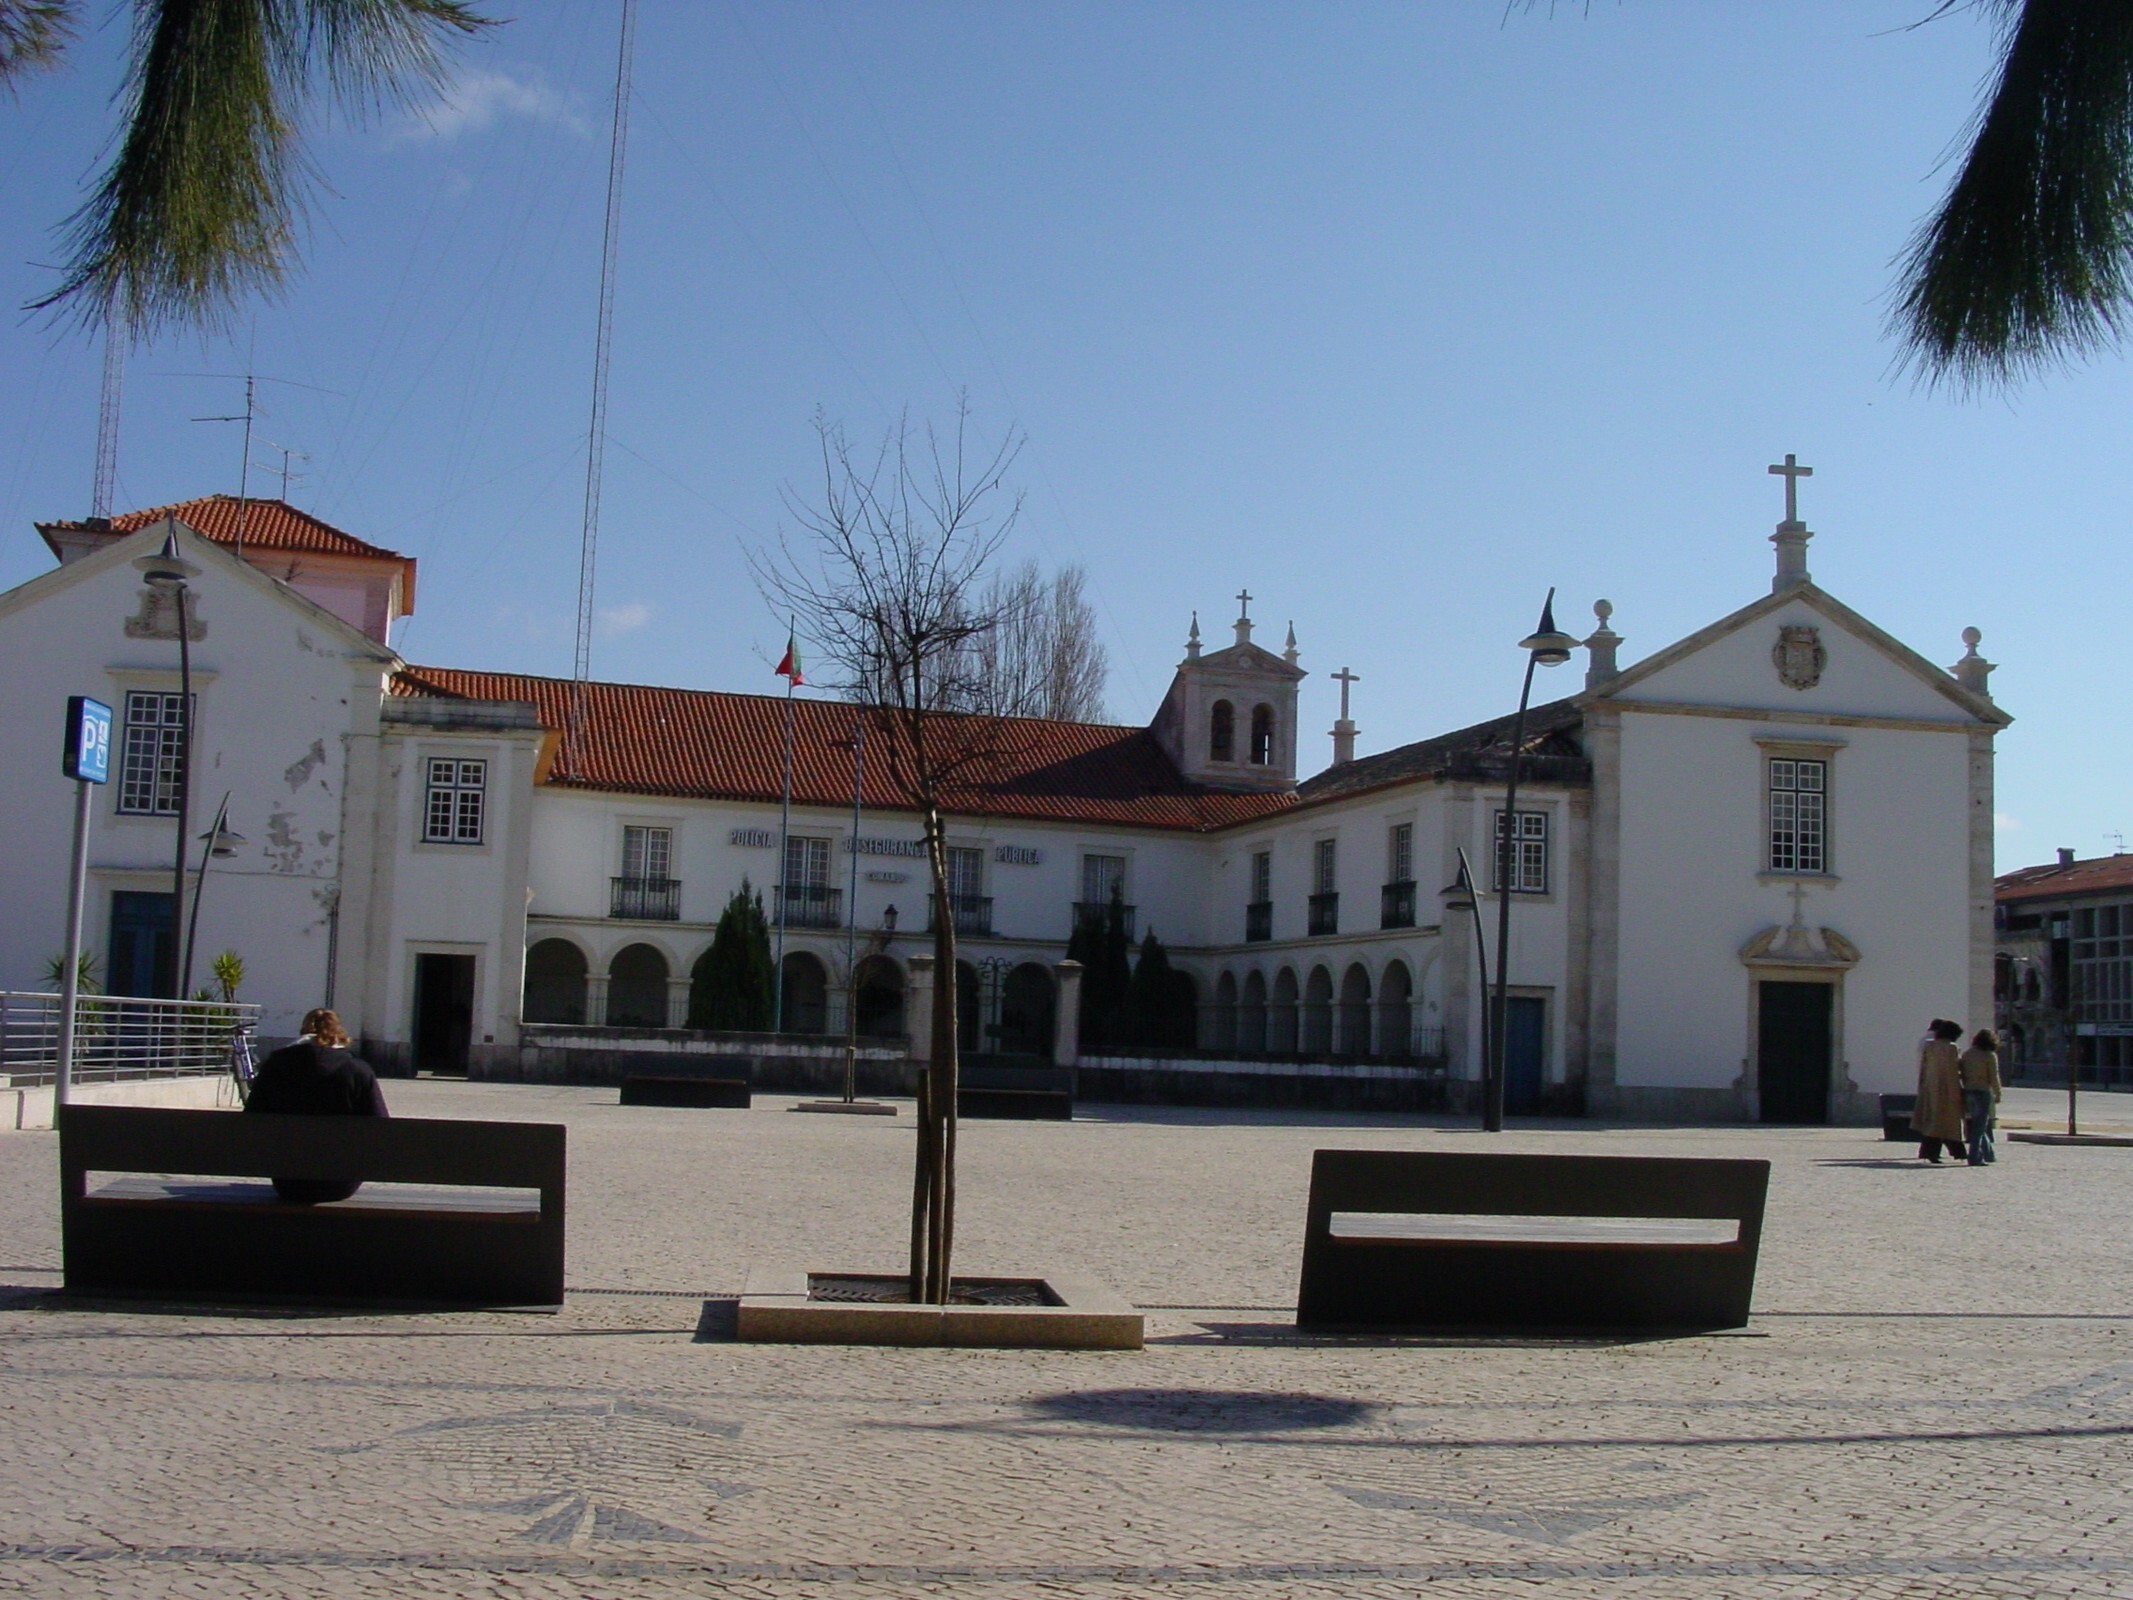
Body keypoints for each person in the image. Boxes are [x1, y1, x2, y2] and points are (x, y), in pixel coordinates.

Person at [244, 1008, 389, 1202]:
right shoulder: (358, 1070)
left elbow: (251, 1118)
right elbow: (381, 1126)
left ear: (303, 1031)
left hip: (287, 1180)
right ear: (338, 1033)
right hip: (339, 1182)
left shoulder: (275, 1066)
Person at [1912, 1017, 1967, 1164]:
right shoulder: (1951, 1048)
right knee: (1948, 1123)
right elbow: (1953, 1071)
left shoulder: (1929, 1046)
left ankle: (1933, 1151)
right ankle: (1956, 1152)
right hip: (1947, 1089)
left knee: (1933, 1122)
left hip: (1930, 1088)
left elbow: (1923, 1068)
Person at [1959, 1028, 2004, 1166]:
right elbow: (1994, 1077)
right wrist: (1998, 1093)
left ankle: (1989, 1154)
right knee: (1979, 1128)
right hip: (1982, 1091)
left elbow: (1961, 1072)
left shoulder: (1967, 1054)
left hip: (1968, 1091)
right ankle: (1974, 1157)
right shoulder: (1989, 1055)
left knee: (1978, 1125)